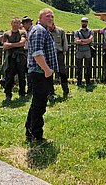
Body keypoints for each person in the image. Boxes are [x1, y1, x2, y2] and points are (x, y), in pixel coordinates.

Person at [25, 8, 58, 143]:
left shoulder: (42, 30)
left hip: (41, 72)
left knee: (37, 103)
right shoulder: (39, 30)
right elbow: (37, 53)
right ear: (40, 17)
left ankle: (29, 130)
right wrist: (46, 70)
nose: (50, 18)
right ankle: (36, 135)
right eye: (47, 16)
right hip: (40, 73)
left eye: (52, 16)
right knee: (39, 105)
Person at [2, 18, 27, 101]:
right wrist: (17, 45)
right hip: (10, 57)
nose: (16, 24)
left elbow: (22, 43)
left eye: (17, 23)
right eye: (14, 22)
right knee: (9, 75)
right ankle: (8, 94)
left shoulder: (23, 32)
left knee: (21, 75)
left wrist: (10, 44)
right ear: (11, 23)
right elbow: (5, 46)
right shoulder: (7, 33)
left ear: (20, 24)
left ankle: (22, 93)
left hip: (20, 56)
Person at [48, 22, 70, 98]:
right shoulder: (45, 31)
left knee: (62, 72)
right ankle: (51, 92)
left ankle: (66, 91)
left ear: (54, 25)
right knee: (49, 73)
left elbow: (65, 42)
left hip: (59, 53)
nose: (50, 28)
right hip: (49, 54)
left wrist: (64, 51)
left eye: (51, 26)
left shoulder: (60, 31)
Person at [74, 17, 94, 86]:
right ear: (81, 22)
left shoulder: (90, 31)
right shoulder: (77, 31)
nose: (84, 23)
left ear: (87, 22)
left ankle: (88, 81)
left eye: (85, 21)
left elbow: (90, 40)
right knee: (78, 67)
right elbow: (76, 41)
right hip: (79, 51)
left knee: (88, 67)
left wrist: (81, 40)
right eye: (83, 21)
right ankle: (79, 81)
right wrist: (86, 41)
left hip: (87, 51)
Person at [21, 16, 35, 94]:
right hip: (27, 52)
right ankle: (30, 88)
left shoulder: (33, 31)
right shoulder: (27, 31)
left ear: (28, 23)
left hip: (31, 52)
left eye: (23, 24)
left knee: (31, 70)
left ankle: (31, 88)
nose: (23, 26)